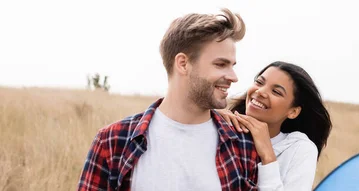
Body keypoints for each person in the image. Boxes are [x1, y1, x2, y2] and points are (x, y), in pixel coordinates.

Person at [77, 8, 260, 191]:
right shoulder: (112, 141)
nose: (233, 77)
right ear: (183, 63)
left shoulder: (242, 144)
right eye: (221, 64)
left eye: (232, 65)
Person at [216, 61, 333, 191]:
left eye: (276, 92)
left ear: (293, 112)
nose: (260, 92)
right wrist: (207, 118)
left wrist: (268, 155)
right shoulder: (221, 127)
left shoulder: (298, 148)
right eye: (259, 82)